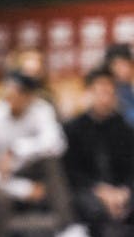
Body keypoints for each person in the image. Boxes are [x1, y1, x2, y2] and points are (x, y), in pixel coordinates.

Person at [0, 70, 79, 237]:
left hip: (22, 170)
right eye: (8, 92)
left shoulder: (40, 110)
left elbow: (57, 145)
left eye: (18, 93)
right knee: (0, 198)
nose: (12, 97)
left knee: (51, 163)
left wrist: (17, 150)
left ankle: (67, 226)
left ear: (30, 96)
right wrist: (23, 189)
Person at [63, 66, 134, 236]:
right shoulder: (73, 128)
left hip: (122, 189)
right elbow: (72, 171)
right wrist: (102, 191)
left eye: (109, 92)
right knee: (94, 209)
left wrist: (124, 191)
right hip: (89, 190)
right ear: (88, 93)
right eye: (99, 92)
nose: (104, 98)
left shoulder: (125, 128)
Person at [103, 42, 134, 127]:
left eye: (124, 63)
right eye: (115, 64)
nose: (120, 69)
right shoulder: (107, 91)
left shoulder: (129, 87)